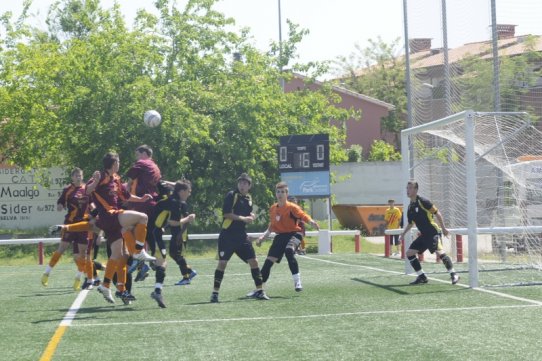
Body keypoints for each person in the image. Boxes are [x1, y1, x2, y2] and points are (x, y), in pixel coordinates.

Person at [86, 152, 155, 304]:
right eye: (118, 162)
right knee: (143, 218)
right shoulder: (101, 176)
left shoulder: (116, 179)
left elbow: (126, 196)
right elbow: (88, 190)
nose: (120, 164)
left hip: (111, 222)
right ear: (113, 164)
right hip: (109, 216)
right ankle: (138, 252)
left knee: (119, 255)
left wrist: (142, 199)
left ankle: (106, 286)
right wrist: (94, 181)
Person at [210, 173, 267, 303]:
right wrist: (243, 218)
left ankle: (260, 291)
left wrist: (252, 215)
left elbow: (249, 213)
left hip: (242, 236)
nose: (242, 185)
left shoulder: (249, 198)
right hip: (227, 236)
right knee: (222, 263)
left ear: (249, 186)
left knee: (254, 261)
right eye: (240, 182)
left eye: (245, 183)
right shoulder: (232, 195)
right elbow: (226, 213)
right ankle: (215, 293)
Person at [256, 182, 319, 292]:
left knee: (289, 250)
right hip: (280, 236)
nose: (280, 194)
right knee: (268, 261)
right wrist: (263, 237)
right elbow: (271, 226)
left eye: (283, 192)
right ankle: (259, 289)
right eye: (278, 192)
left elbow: (303, 215)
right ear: (275, 193)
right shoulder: (272, 209)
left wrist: (311, 222)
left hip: (295, 233)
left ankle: (297, 281)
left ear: (286, 194)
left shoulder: (292, 207)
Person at [399, 180, 460, 285]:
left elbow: (437, 213)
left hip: (433, 232)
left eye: (410, 188)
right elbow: (410, 223)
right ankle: (422, 277)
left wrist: (444, 229)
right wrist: (403, 234)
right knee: (409, 253)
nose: (408, 190)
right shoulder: (410, 207)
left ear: (416, 190)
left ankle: (454, 274)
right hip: (423, 235)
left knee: (440, 252)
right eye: (407, 188)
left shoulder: (423, 201)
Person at [148, 179, 197, 308]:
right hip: (153, 232)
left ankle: (157, 290)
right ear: (181, 191)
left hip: (154, 231)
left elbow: (163, 184)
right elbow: (174, 222)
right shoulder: (174, 202)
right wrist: (189, 218)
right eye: (188, 191)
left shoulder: (171, 197)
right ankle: (155, 288)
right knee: (162, 261)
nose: (189, 193)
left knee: (162, 261)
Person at [41, 168, 90, 290]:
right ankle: (46, 273)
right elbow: (60, 203)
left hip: (83, 225)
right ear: (72, 177)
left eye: (80, 175)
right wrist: (60, 205)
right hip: (69, 224)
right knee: (61, 248)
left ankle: (78, 278)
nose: (79, 177)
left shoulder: (87, 190)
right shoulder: (67, 190)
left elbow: (92, 204)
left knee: (81, 254)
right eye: (76, 175)